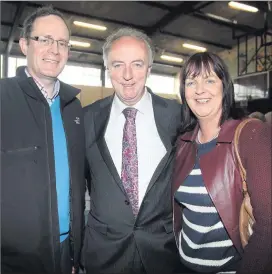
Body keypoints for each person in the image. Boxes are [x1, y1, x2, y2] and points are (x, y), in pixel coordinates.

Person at [82, 27, 184, 274]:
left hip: (163, 253)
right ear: (108, 69)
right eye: (117, 65)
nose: (127, 75)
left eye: (137, 64)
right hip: (104, 254)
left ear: (149, 69)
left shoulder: (177, 116)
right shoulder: (85, 118)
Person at [1, 6, 85, 274]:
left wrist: (74, 251)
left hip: (65, 253)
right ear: (25, 45)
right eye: (45, 39)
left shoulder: (73, 108)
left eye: (62, 43)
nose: (54, 49)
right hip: (13, 260)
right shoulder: (3, 98)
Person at [172, 52, 271, 274]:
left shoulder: (250, 135)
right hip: (182, 266)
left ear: (224, 87)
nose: (199, 89)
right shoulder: (183, 143)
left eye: (209, 80)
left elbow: (268, 225)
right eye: (191, 82)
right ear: (183, 92)